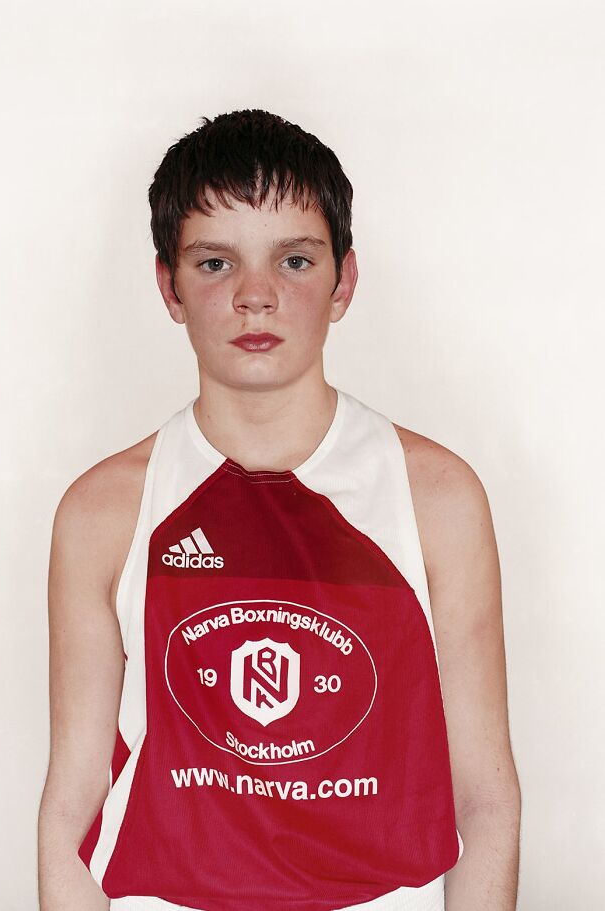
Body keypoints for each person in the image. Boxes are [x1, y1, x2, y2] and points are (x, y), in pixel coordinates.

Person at [37, 109, 521, 911]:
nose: (255, 296)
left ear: (344, 281)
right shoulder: (102, 512)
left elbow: (486, 796)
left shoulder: (437, 498)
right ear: (169, 286)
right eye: (216, 263)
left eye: (294, 260)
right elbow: (70, 807)